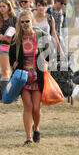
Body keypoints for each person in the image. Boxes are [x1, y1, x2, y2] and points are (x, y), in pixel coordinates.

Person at [11, 10, 50, 147]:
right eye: (22, 22)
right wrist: (14, 64)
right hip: (23, 77)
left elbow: (49, 54)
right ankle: (28, 138)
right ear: (19, 23)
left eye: (27, 21)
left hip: (37, 76)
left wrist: (46, 62)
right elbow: (12, 57)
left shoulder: (41, 35)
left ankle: (36, 128)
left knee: (36, 108)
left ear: (32, 21)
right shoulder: (16, 38)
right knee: (27, 106)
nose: (25, 24)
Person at [0, 0, 17, 92]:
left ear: (9, 7)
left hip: (14, 45)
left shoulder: (14, 19)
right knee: (4, 70)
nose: (2, 9)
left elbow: (18, 33)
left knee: (14, 69)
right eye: (0, 6)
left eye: (4, 6)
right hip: (3, 45)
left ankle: (15, 92)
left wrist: (11, 38)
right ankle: (5, 93)